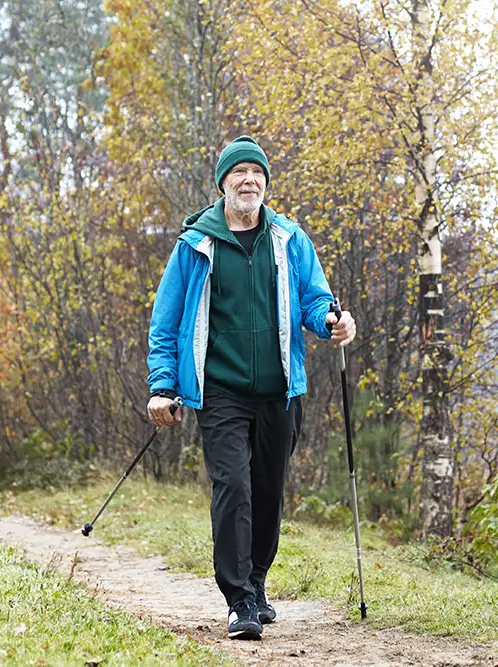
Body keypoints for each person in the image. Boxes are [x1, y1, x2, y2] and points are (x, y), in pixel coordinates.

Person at [145, 136, 356, 640]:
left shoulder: (288, 238)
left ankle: (257, 584)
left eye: (257, 173)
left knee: (267, 491)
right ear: (223, 183)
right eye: (239, 173)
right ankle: (238, 598)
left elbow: (314, 299)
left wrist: (332, 322)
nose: (249, 181)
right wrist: (162, 385)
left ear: (265, 182)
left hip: (280, 391)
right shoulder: (196, 243)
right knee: (233, 487)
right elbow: (165, 321)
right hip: (220, 392)